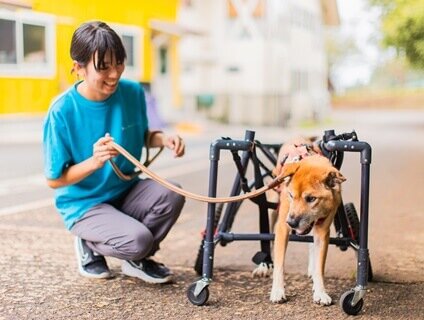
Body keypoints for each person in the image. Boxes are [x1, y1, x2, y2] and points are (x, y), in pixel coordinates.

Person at [42, 21, 185, 284]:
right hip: (84, 204)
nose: (114, 73)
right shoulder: (61, 111)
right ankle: (89, 243)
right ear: (78, 68)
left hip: (125, 191)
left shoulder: (132, 92)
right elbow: (54, 180)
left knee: (172, 193)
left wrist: (164, 139)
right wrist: (94, 162)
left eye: (119, 62)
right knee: (138, 239)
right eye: (103, 67)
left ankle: (135, 258)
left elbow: (142, 136)